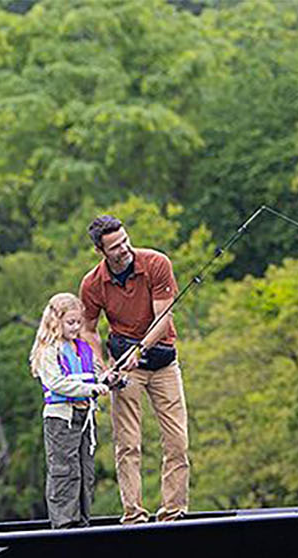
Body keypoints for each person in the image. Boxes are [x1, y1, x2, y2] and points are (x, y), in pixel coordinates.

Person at [79, 215, 189, 523]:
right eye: (115, 246)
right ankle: (134, 513)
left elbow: (164, 317)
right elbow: (88, 329)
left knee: (177, 441)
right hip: (124, 370)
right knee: (127, 443)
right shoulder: (92, 283)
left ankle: (173, 511)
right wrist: (102, 367)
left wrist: (139, 349)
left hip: (163, 362)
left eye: (125, 240)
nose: (124, 249)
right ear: (102, 252)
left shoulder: (155, 263)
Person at [30, 291, 110, 529]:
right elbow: (57, 383)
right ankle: (64, 524)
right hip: (61, 419)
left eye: (79, 322)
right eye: (71, 323)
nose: (76, 327)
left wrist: (108, 379)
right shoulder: (49, 351)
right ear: (56, 322)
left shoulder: (83, 349)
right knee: (64, 472)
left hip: (85, 418)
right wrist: (91, 389)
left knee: (85, 471)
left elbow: (97, 374)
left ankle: (83, 521)